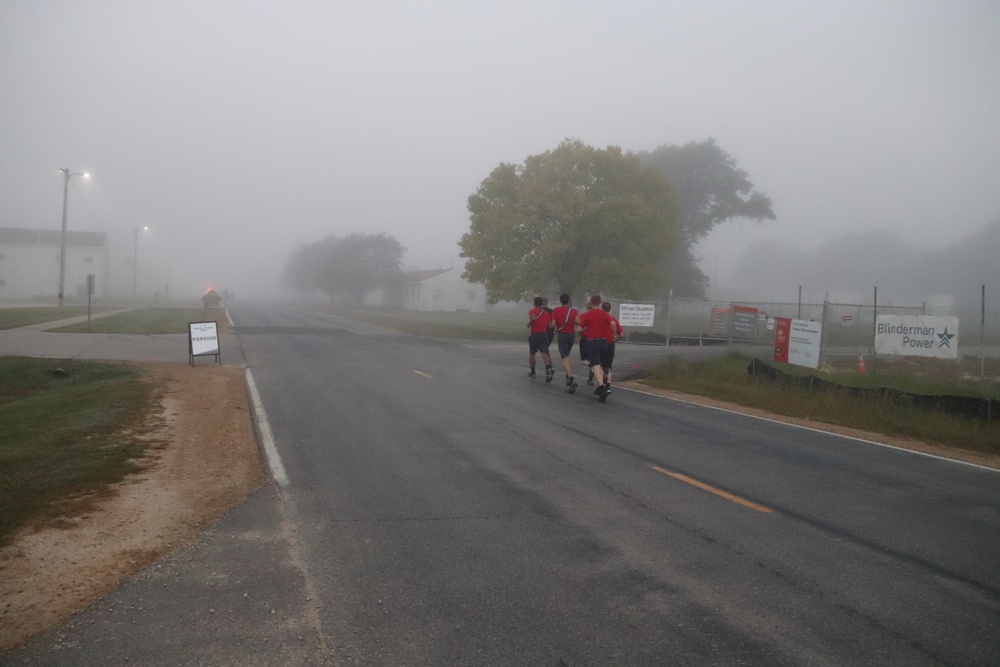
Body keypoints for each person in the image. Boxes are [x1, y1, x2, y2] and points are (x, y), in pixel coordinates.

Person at [575, 294, 617, 401]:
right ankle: (603, 386)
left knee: (595, 366)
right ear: (600, 303)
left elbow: (579, 329)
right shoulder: (604, 314)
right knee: (601, 366)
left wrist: (582, 329)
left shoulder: (588, 315)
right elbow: (613, 323)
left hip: (593, 342)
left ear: (591, 303)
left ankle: (602, 387)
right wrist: (614, 335)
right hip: (604, 342)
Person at [550, 293, 579, 393]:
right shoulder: (574, 311)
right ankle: (568, 376)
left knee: (565, 358)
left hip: (562, 336)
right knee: (567, 355)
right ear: (568, 301)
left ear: (560, 301)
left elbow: (553, 324)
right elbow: (579, 322)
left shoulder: (556, 310)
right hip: (571, 336)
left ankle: (571, 379)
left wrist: (550, 326)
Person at [527, 296, 555, 381]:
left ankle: (533, 372)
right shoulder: (546, 313)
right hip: (544, 335)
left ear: (534, 303)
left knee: (532, 353)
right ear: (541, 303)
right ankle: (548, 368)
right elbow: (549, 325)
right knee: (544, 353)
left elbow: (533, 318)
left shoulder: (532, 311)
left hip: (535, 335)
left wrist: (529, 323)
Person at [601, 300, 624, 395]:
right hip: (611, 344)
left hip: (601, 343)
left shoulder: (600, 319)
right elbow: (621, 334)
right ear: (610, 309)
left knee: (599, 366)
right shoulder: (613, 319)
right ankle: (608, 386)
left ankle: (601, 386)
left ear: (602, 308)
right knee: (608, 366)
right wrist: (615, 339)